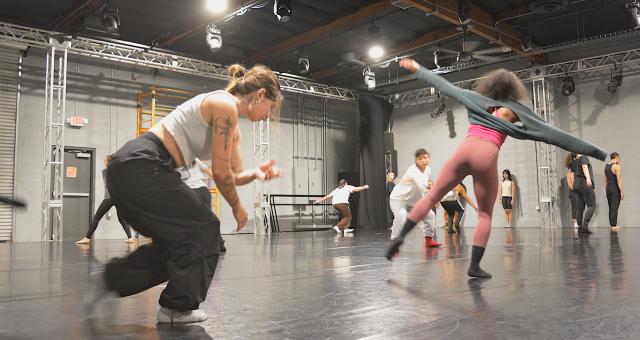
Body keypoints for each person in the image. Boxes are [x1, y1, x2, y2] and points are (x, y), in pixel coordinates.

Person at [91, 64, 284, 324]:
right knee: (205, 229)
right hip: (143, 163)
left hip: (138, 170)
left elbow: (232, 174)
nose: (269, 115)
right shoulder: (224, 105)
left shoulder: (232, 127)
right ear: (260, 95)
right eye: (271, 107)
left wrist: (256, 174)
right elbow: (221, 173)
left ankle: (110, 280)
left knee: (182, 243)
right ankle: (175, 308)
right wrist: (237, 207)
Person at [386, 58, 607, 279]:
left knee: (431, 197)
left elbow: (445, 86)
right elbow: (555, 136)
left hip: (465, 149)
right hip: (487, 154)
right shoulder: (517, 110)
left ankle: (398, 239)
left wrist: (417, 68)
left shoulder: (476, 99)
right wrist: (598, 152)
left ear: (489, 85)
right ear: (514, 89)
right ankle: (474, 266)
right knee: (484, 214)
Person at [389, 149, 441, 248]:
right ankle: (394, 242)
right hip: (399, 199)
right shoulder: (413, 170)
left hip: (413, 201)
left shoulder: (428, 169)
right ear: (416, 160)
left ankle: (429, 241)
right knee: (401, 215)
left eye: (425, 158)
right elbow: (421, 186)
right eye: (420, 159)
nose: (424, 160)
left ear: (428, 158)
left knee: (430, 215)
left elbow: (427, 185)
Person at [76, 154, 133, 244]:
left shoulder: (105, 171)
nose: (104, 162)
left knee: (97, 217)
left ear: (108, 162)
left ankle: (87, 238)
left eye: (105, 160)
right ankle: (130, 238)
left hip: (109, 197)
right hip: (120, 198)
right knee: (122, 219)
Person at [572, 154, 596, 235]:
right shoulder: (584, 158)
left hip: (576, 184)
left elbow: (573, 174)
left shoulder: (574, 161)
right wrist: (588, 179)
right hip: (583, 182)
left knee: (580, 207)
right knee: (591, 205)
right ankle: (585, 226)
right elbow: (584, 167)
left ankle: (579, 227)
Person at [605, 152, 624, 231]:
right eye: (619, 158)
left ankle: (612, 225)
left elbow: (605, 179)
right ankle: (614, 225)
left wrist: (607, 189)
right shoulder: (616, 166)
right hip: (614, 188)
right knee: (614, 207)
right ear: (616, 157)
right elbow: (619, 180)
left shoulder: (606, 166)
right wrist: (622, 191)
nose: (619, 160)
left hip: (608, 188)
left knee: (611, 207)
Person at [565, 153, 579, 229]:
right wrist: (576, 189)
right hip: (573, 192)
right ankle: (575, 223)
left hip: (577, 192)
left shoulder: (574, 172)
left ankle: (578, 222)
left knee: (578, 207)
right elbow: (570, 185)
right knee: (575, 207)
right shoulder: (569, 173)